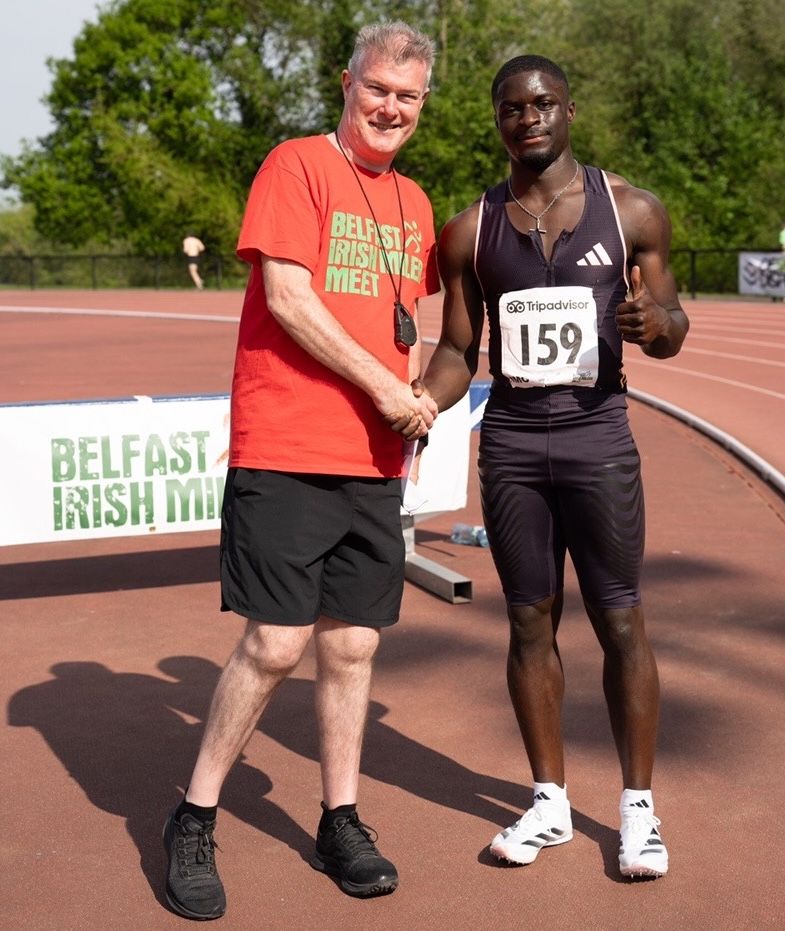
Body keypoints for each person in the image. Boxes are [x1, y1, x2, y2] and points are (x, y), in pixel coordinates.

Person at [162, 21, 438, 920]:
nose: (390, 107)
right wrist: (386, 388)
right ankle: (194, 815)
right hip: (287, 445)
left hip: (374, 456)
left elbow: (407, 323)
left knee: (353, 644)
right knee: (277, 642)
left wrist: (415, 398)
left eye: (409, 96)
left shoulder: (416, 203)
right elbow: (288, 298)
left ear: (421, 105)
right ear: (347, 84)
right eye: (378, 89)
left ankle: (340, 817)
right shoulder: (295, 166)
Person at [420, 55, 689, 880]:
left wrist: (655, 323)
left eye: (541, 104)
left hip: (597, 440)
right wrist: (421, 404)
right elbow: (460, 348)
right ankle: (548, 802)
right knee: (529, 622)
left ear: (571, 109)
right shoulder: (470, 230)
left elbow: (674, 319)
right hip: (511, 447)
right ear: (496, 120)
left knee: (619, 620)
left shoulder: (633, 209)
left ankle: (638, 811)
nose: (527, 117)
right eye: (511, 107)